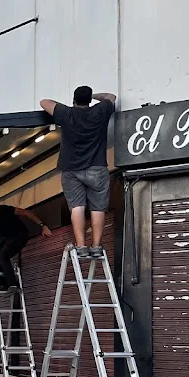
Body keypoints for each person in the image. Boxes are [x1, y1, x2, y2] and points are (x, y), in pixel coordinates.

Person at [40, 86, 117, 257]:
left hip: (71, 170)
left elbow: (44, 102)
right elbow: (111, 96)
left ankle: (81, 245)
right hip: (97, 167)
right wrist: (95, 96)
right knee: (98, 208)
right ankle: (96, 246)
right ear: (89, 100)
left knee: (77, 207)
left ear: (74, 99)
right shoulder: (101, 110)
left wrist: (66, 108)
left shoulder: (66, 114)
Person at [0, 196, 52, 294]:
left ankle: (13, 285)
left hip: (20, 234)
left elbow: (26, 212)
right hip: (8, 237)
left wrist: (43, 226)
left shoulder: (4, 210)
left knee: (3, 256)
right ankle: (3, 284)